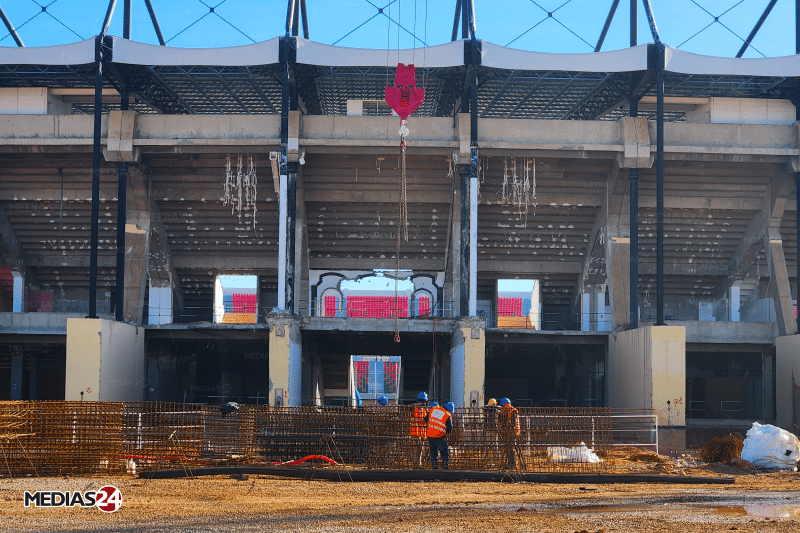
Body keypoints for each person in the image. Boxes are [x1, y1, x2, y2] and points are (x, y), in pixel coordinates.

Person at [425, 401, 454, 469]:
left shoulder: (433, 409)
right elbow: (449, 429)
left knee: (433, 453)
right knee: (444, 453)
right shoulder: (447, 415)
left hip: (430, 435)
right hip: (439, 436)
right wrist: (444, 432)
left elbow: (426, 419)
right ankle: (445, 470)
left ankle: (435, 471)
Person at [499, 397, 521, 470]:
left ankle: (513, 464)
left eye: (502, 406)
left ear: (505, 405)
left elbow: (513, 422)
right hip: (509, 432)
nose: (502, 408)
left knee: (511, 447)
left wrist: (509, 428)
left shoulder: (513, 411)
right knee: (508, 447)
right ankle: (510, 463)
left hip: (513, 431)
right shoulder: (507, 412)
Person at [409, 391, 428, 467]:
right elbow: (408, 409)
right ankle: (416, 464)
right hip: (415, 433)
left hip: (422, 433)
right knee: (417, 450)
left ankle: (418, 463)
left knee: (421, 450)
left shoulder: (425, 410)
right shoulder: (413, 408)